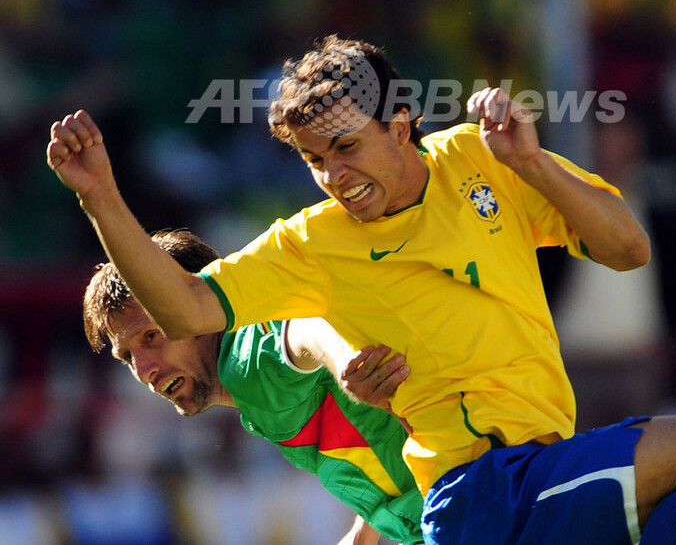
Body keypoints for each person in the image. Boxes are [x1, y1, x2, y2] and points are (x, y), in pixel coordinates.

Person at [48, 35, 676, 545]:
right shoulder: (308, 241)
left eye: (346, 147)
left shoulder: (480, 157)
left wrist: (536, 166)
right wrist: (102, 198)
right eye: (312, 160)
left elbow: (629, 248)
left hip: (527, 475)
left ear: (400, 126)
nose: (332, 176)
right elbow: (188, 308)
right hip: (483, 486)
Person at [84, 227, 423, 545]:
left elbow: (308, 329)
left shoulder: (246, 367)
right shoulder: (255, 372)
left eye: (151, 336)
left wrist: (345, 363)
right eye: (128, 357)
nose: (144, 371)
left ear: (192, 308)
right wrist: (364, 532)